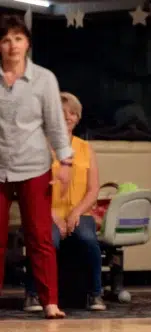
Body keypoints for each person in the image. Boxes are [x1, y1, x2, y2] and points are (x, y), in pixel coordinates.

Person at [0, 15, 70, 319]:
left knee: (40, 237)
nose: (12, 45)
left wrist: (65, 162)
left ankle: (49, 301)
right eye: (5, 40)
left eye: (17, 38)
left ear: (27, 43)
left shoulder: (44, 79)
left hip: (34, 165)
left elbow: (55, 124)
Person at [24, 92, 106, 312]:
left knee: (87, 238)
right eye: (62, 113)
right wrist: (54, 216)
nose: (68, 117)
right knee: (48, 239)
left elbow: (93, 189)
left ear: (78, 118)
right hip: (46, 212)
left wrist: (76, 213)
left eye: (73, 113)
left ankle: (95, 293)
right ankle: (33, 294)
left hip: (80, 213)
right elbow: (34, 189)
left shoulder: (85, 148)